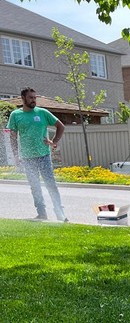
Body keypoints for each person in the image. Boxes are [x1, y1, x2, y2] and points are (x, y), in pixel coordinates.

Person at [8, 87, 68, 222]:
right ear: (23, 99)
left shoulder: (42, 112)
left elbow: (61, 126)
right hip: (27, 157)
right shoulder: (15, 115)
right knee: (35, 186)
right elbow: (13, 137)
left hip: (44, 155)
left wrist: (53, 141)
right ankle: (41, 213)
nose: (34, 100)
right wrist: (16, 156)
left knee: (50, 184)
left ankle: (60, 213)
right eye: (31, 98)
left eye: (35, 98)